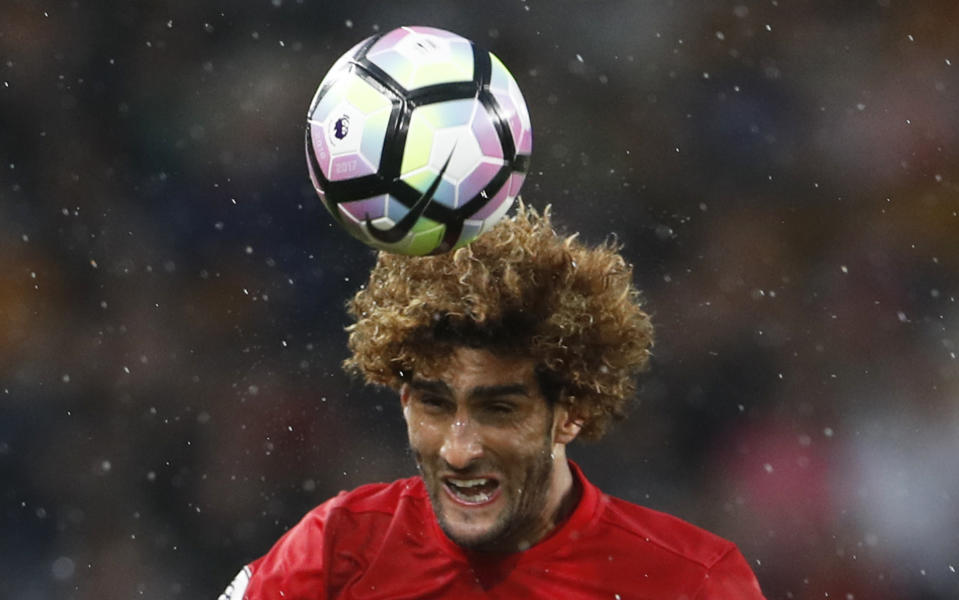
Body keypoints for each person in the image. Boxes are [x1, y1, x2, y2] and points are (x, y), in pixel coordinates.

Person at [219, 203, 766, 599]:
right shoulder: (333, 554)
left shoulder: (693, 582)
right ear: (404, 399)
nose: (459, 451)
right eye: (435, 405)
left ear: (570, 412)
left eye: (497, 409)